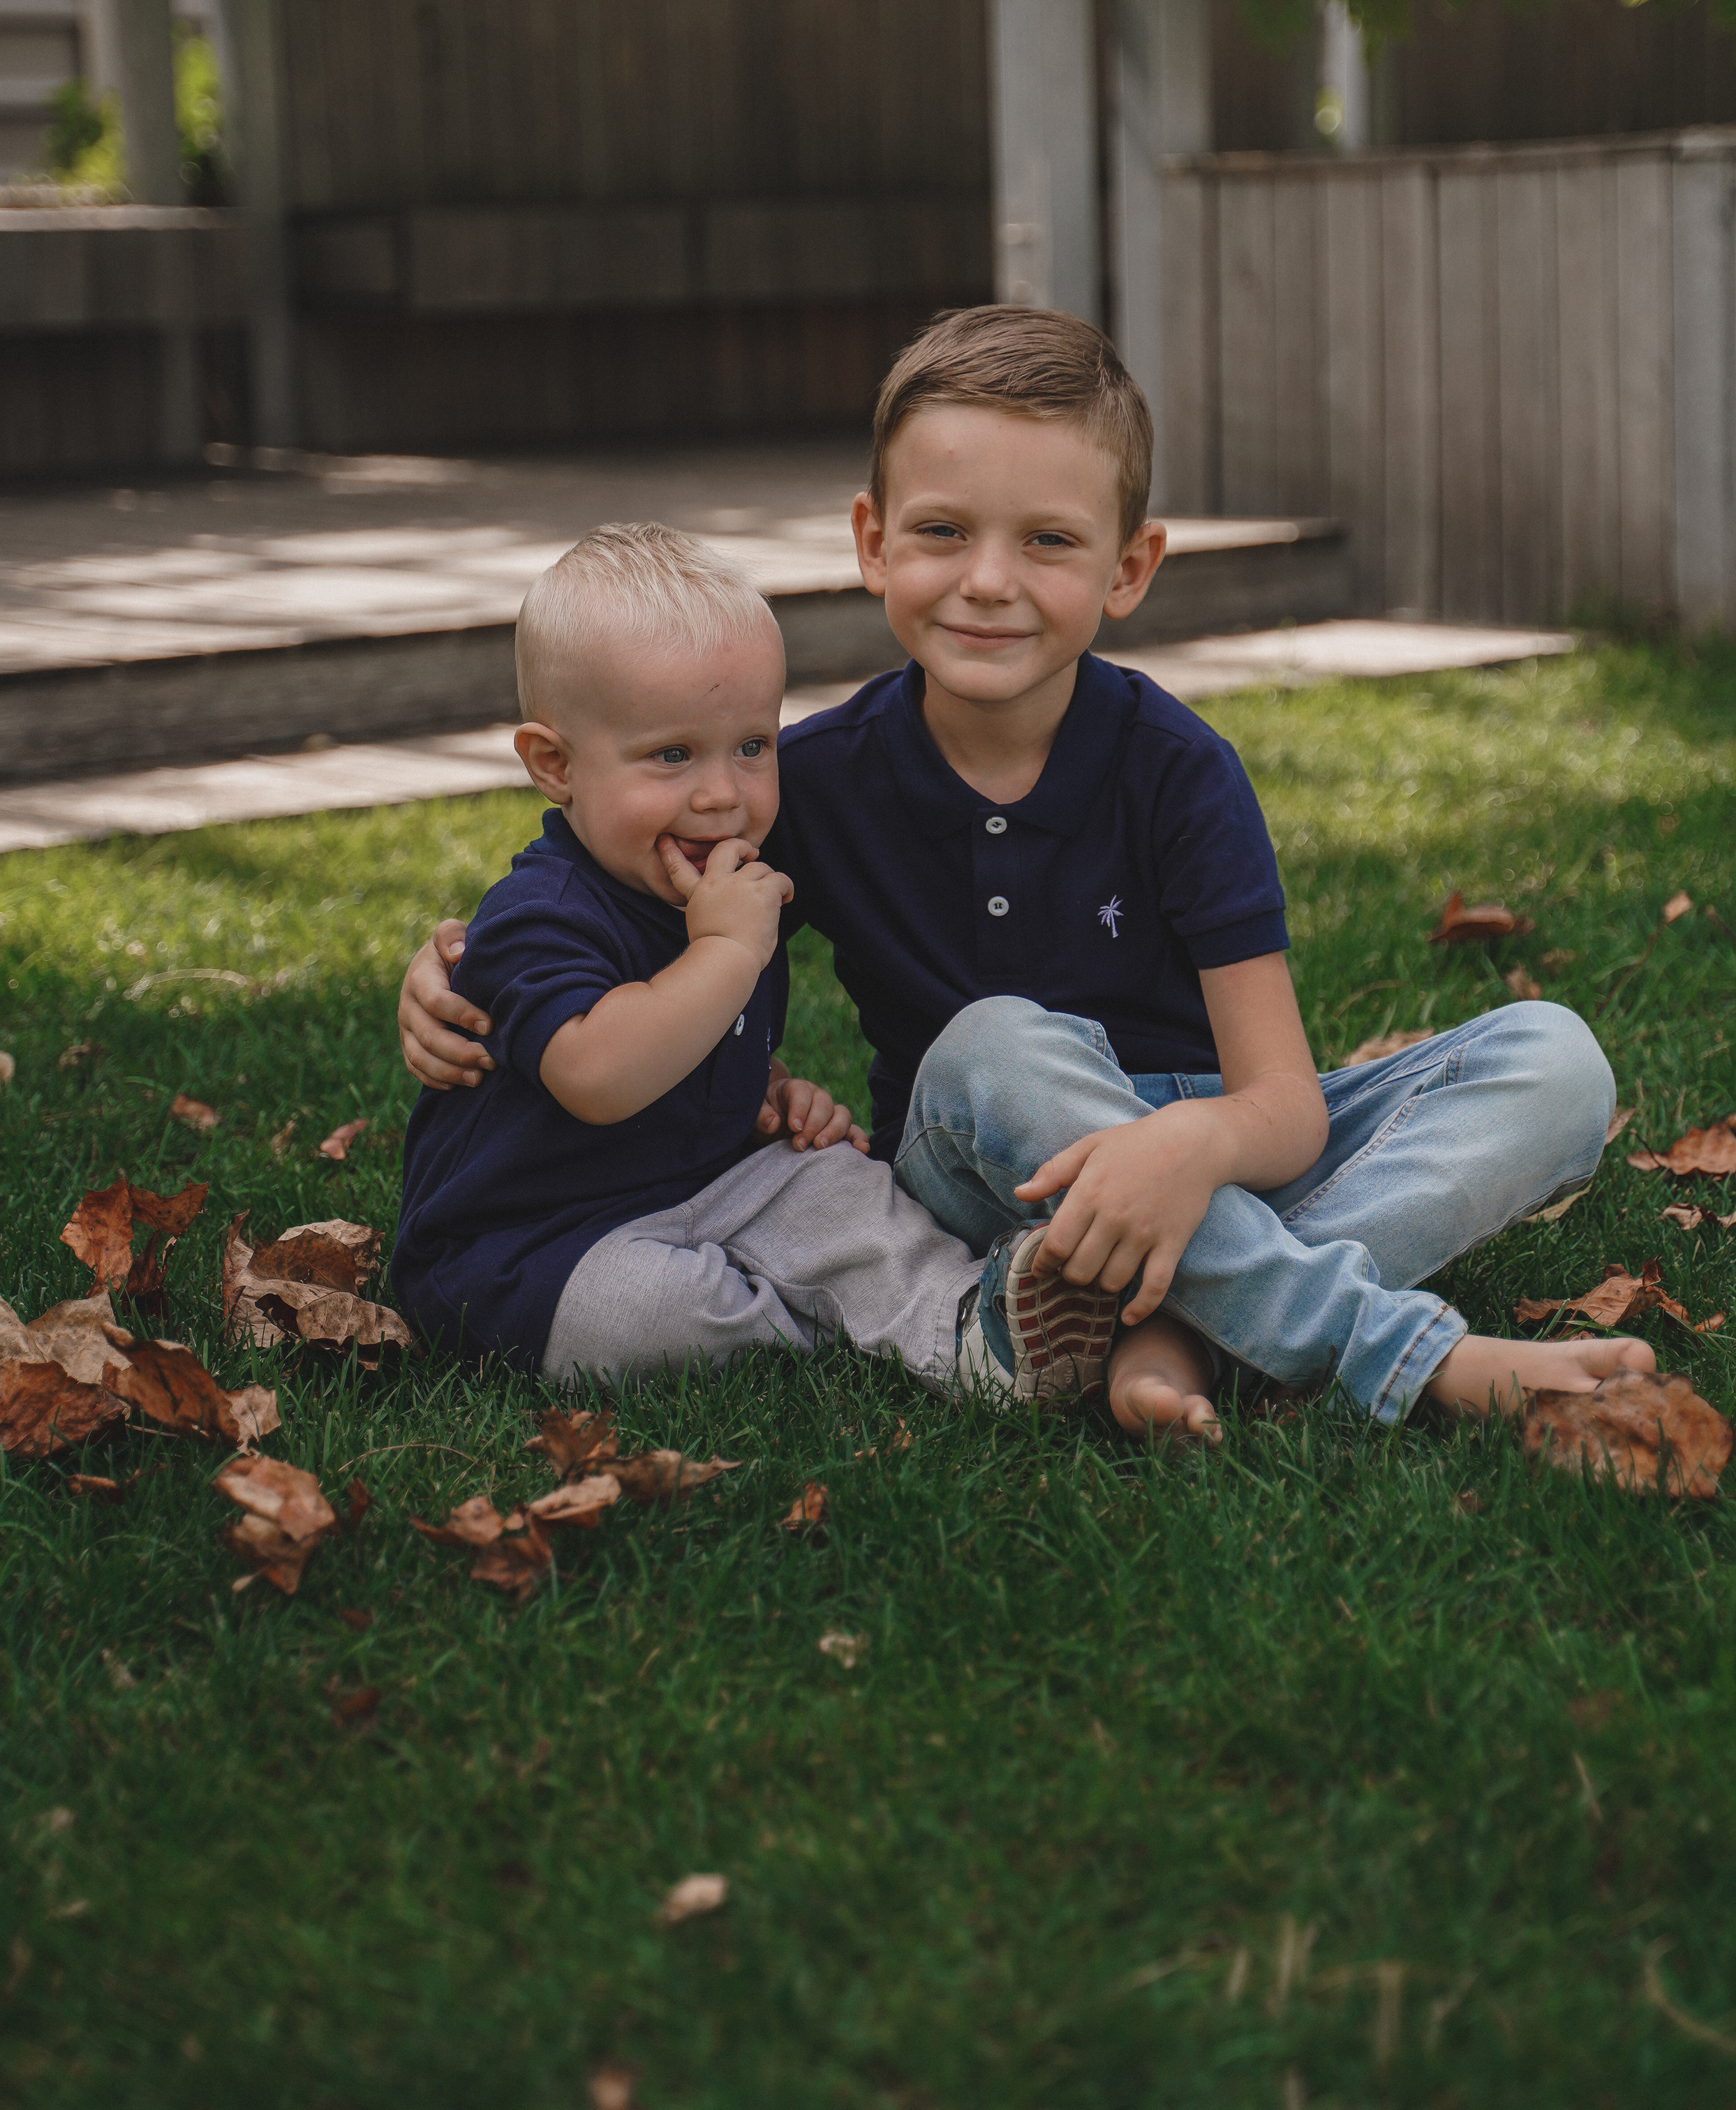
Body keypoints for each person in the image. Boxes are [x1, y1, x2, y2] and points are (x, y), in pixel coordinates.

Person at [401, 309, 1653, 1440]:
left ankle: (1183, 1326)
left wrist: (1188, 1150)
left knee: (1556, 1061)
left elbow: (1285, 1108)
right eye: (944, 532)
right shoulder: (804, 780)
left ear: (1128, 569)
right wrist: (453, 970)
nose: (989, 581)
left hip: (1206, 1156)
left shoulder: (1177, 770)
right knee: (997, 1038)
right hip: (989, 1177)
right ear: (874, 542)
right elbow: (616, 895)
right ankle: (1388, 1351)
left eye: (1048, 540)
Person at [392, 522, 984, 1393]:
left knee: (840, 1191)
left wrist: (769, 1092)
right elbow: (600, 1076)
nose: (722, 795)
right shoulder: (536, 917)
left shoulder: (721, 892)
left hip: (707, 1185)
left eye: (752, 746)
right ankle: (827, 1325)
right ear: (554, 765)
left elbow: (703, 1047)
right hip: (537, 1243)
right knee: (649, 1313)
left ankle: (984, 1327)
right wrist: (726, 951)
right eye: (672, 755)